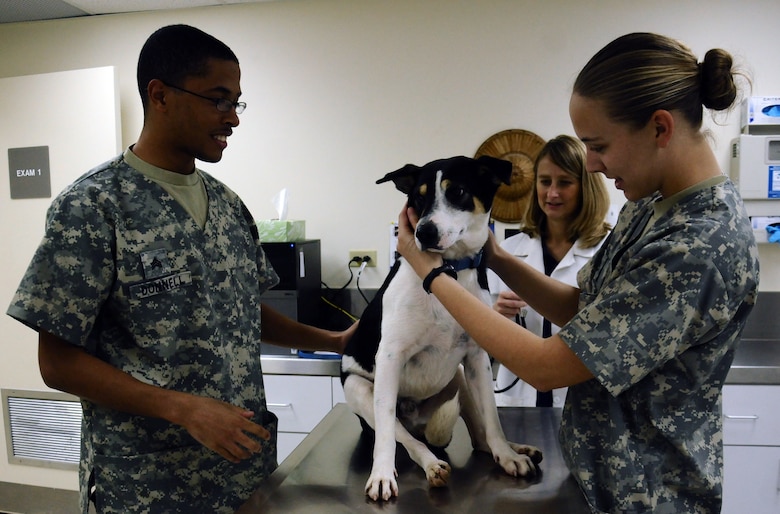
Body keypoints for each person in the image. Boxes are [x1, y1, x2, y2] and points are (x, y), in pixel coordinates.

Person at [396, 32, 759, 513]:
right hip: (599, 482)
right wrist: (496, 257)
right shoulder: (651, 205)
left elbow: (548, 368)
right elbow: (581, 309)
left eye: (599, 145)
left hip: (648, 496)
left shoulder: (699, 243)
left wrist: (431, 275)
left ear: (660, 128)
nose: (591, 164)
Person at [6, 25, 351, 513]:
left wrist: (333, 341)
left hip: (241, 475)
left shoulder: (230, 207)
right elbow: (57, 362)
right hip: (148, 485)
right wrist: (183, 408)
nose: (232, 118)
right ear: (160, 95)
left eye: (237, 102)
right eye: (217, 99)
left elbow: (243, 313)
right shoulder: (94, 207)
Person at [488, 135, 611, 408]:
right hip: (516, 399)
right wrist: (497, 316)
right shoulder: (506, 251)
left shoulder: (609, 251)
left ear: (586, 187)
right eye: (545, 182)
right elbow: (482, 346)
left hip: (583, 404)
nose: (552, 193)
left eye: (564, 182)